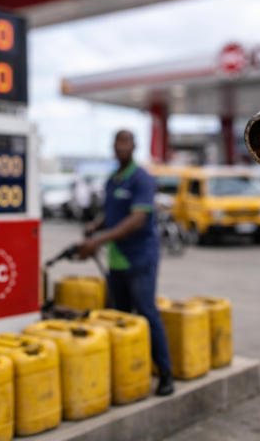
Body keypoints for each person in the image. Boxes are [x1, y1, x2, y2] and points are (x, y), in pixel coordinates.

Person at [76, 130, 174, 396]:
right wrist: (94, 227)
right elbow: (111, 214)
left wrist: (98, 241)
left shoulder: (141, 179)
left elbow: (137, 219)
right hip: (116, 261)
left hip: (140, 258)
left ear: (134, 146)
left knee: (146, 313)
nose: (119, 147)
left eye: (124, 142)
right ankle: (130, 373)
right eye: (116, 142)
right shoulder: (112, 180)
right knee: (119, 317)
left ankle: (165, 373)